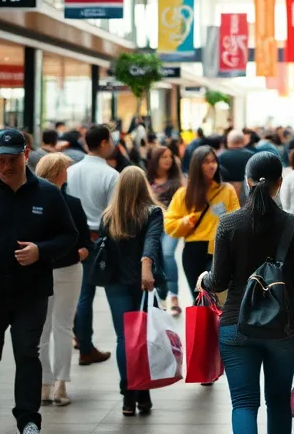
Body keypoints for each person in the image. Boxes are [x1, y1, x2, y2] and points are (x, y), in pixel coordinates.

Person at [0, 128, 78, 434]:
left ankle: (28, 419)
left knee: (27, 354)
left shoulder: (48, 194)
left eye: (13, 159)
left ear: (26, 155)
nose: (6, 166)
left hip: (31, 293)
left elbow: (69, 236)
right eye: (0, 160)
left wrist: (41, 251)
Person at [199, 152, 294, 434]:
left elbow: (218, 282)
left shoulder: (228, 223)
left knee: (243, 403)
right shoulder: (293, 225)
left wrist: (204, 279)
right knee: (278, 402)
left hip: (236, 326)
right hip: (285, 328)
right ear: (280, 183)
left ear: (247, 181)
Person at [100, 166, 164, 416]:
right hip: (142, 283)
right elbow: (152, 240)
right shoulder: (152, 212)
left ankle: (128, 396)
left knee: (123, 338)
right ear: (143, 186)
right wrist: (146, 265)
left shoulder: (109, 216)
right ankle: (143, 393)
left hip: (115, 283)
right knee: (142, 337)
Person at [34, 154, 92, 406]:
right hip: (63, 269)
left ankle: (48, 383)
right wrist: (81, 250)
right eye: (65, 169)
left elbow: (85, 241)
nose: (68, 173)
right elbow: (84, 239)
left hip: (46, 269)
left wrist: (83, 250)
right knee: (60, 327)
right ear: (58, 171)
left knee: (45, 328)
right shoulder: (70, 203)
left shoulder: (32, 202)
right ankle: (57, 383)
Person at [65, 124, 118, 366]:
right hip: (100, 240)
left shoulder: (70, 172)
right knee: (100, 293)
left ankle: (83, 343)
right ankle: (87, 348)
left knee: (82, 295)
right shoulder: (111, 175)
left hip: (75, 240)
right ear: (104, 142)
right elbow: (112, 214)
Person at [164, 145, 239, 292]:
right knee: (200, 298)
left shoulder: (226, 190)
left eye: (214, 161)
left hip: (218, 248)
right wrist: (188, 221)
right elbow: (169, 225)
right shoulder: (184, 194)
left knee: (215, 294)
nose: (211, 165)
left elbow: (236, 220)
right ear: (197, 166)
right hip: (194, 250)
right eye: (206, 162)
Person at [146, 144, 184, 315]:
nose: (168, 160)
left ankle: (174, 296)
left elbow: (185, 201)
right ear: (155, 160)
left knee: (167, 253)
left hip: (171, 224)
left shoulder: (177, 181)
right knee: (155, 257)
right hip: (151, 225)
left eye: (170, 156)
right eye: (164, 157)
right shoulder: (147, 180)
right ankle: (160, 297)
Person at [218, 130, 254, 200]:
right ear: (243, 141)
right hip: (248, 197)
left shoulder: (220, 157)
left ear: (228, 141)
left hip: (227, 196)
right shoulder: (252, 156)